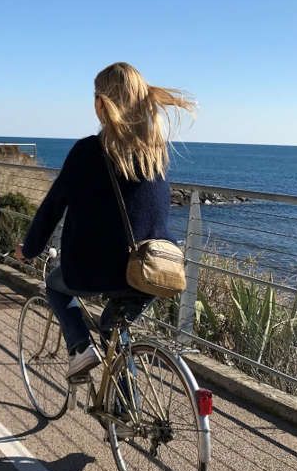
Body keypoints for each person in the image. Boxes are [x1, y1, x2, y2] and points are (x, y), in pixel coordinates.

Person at [15, 62, 195, 378]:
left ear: (102, 104)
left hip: (97, 270)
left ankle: (80, 350)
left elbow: (52, 208)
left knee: (55, 286)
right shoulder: (155, 152)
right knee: (114, 330)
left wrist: (28, 249)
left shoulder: (87, 151)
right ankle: (127, 416)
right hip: (154, 269)